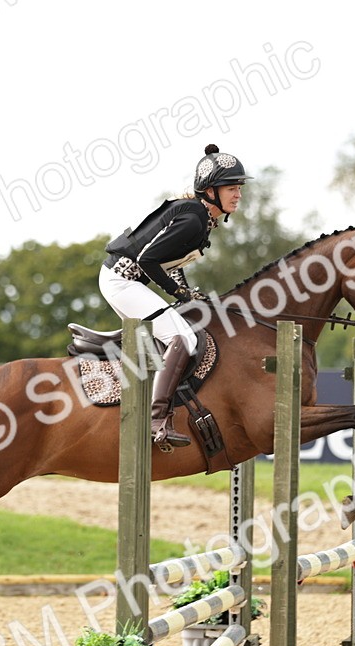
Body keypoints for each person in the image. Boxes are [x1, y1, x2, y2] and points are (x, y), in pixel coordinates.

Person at [99, 143, 253, 449]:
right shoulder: (194, 219)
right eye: (231, 188)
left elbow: (170, 263)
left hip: (130, 282)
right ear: (210, 191)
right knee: (184, 338)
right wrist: (178, 292)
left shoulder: (200, 217)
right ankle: (157, 420)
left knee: (184, 327)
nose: (238, 194)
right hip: (122, 281)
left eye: (238, 188)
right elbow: (147, 260)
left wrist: (186, 295)